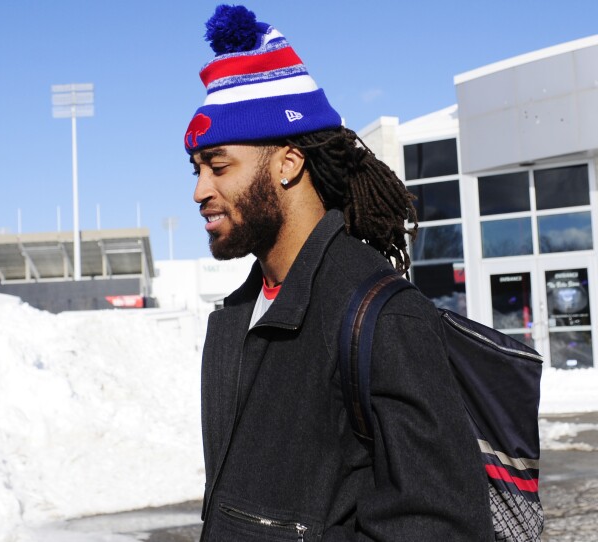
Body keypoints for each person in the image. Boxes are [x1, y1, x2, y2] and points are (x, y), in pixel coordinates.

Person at [185, 5, 494, 541]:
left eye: (219, 166)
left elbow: (441, 527)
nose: (200, 191)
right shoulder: (234, 320)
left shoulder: (382, 315)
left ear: (287, 163)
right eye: (196, 170)